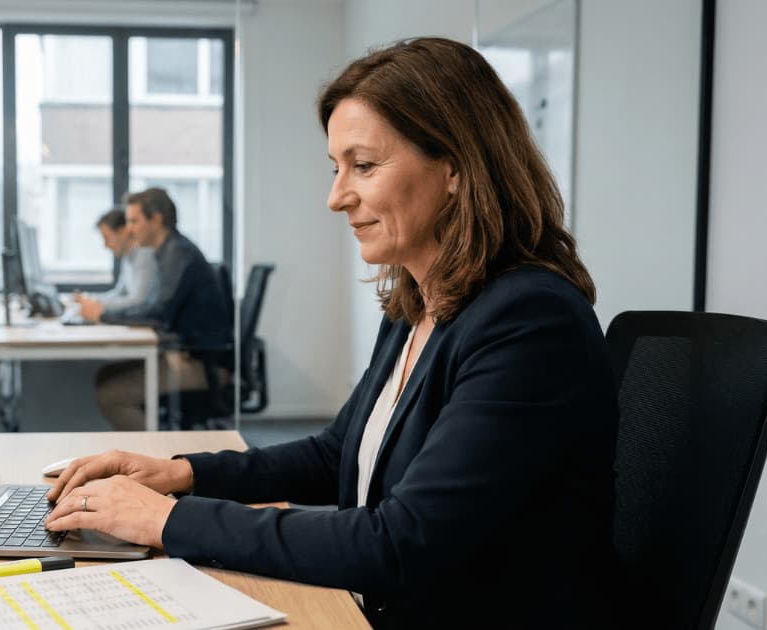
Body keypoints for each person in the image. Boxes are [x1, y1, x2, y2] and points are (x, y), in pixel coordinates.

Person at [44, 38, 619, 628]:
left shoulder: (528, 321)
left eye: (363, 166)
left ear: (454, 168)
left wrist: (161, 520)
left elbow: (399, 542)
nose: (335, 197)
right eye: (336, 168)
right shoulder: (418, 302)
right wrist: (184, 474)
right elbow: (336, 454)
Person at [78, 188, 231, 431]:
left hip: (201, 364)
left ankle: (158, 460)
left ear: (156, 220)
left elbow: (157, 313)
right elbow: (149, 307)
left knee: (110, 395)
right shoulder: (167, 251)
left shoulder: (178, 254)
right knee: (105, 376)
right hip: (184, 352)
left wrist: (103, 315)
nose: (128, 229)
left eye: (134, 221)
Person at [73, 206, 158, 311]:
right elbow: (120, 292)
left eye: (107, 238)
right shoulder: (127, 257)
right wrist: (90, 299)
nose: (105, 245)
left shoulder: (145, 255)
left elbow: (138, 301)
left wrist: (96, 304)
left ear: (122, 231)